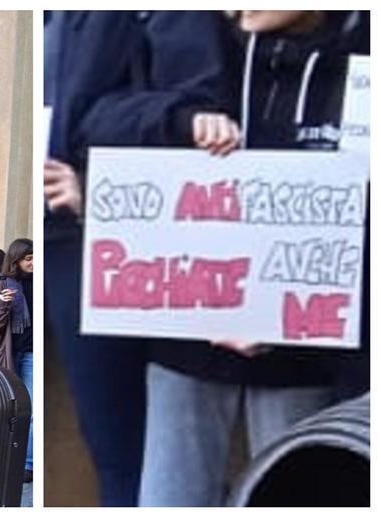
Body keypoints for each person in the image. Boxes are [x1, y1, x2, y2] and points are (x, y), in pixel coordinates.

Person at [137, 11, 370, 506]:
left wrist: (291, 315)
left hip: (307, 349)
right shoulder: (189, 38)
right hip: (186, 331)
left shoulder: (360, 55)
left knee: (295, 495)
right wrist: (179, 120)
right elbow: (106, 117)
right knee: (171, 498)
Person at [45, 11, 236, 505]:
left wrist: (96, 193)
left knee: (134, 454)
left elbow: (196, 106)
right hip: (60, 238)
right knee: (107, 443)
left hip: (115, 239)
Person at [0, 238, 33, 483]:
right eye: (28, 258)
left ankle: (28, 464)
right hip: (8, 355)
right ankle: (2, 456)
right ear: (16, 260)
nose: (33, 263)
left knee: (32, 411)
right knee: (7, 408)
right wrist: (2, 304)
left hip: (33, 355)